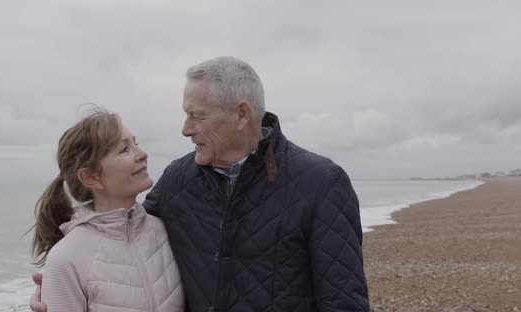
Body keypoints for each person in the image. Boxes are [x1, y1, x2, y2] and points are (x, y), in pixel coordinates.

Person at [31, 57, 369, 311]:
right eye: (185, 114)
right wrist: (56, 291)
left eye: (199, 116)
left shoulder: (321, 183)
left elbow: (344, 303)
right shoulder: (177, 181)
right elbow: (123, 242)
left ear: (241, 114)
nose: (186, 129)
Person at [30, 107, 184, 312]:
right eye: (124, 149)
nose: (143, 154)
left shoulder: (161, 229)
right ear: (91, 177)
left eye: (135, 143)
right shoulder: (66, 259)